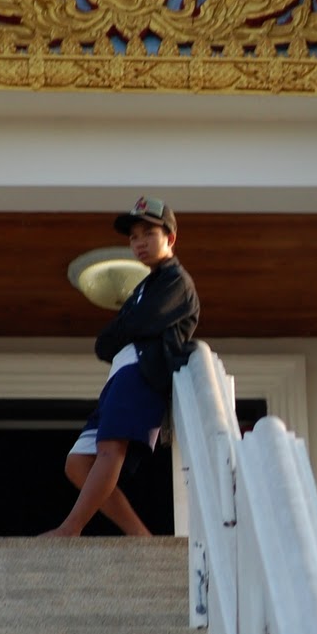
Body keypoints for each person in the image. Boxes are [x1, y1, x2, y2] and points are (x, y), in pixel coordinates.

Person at [42, 197, 199, 537]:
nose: (139, 242)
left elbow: (138, 324)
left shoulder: (176, 281)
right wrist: (126, 328)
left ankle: (70, 528)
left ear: (170, 238)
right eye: (133, 237)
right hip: (119, 375)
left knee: (110, 449)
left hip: (142, 374)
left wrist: (125, 328)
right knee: (77, 463)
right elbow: (106, 343)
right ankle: (140, 537)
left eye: (148, 234)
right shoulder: (145, 287)